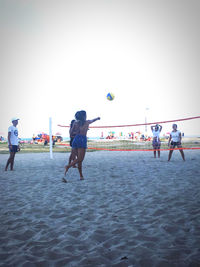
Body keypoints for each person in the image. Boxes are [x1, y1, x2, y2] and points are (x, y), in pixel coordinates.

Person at [63, 111, 100, 181]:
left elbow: (71, 134)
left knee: (79, 160)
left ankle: (81, 176)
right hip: (82, 140)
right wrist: (98, 118)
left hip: (75, 139)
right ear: (83, 116)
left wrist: (77, 133)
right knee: (80, 159)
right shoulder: (87, 122)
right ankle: (68, 166)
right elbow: (93, 120)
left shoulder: (75, 123)